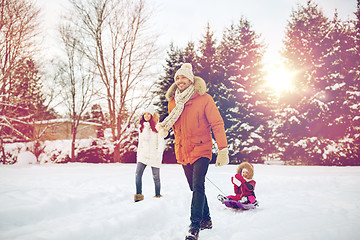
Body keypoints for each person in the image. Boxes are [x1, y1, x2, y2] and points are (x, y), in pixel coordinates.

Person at [156, 63, 229, 240]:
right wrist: (166, 129)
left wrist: (223, 149)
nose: (180, 81)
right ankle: (207, 220)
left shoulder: (204, 99)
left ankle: (194, 226)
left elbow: (217, 124)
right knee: (194, 187)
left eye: (183, 77)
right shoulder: (173, 102)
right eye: (177, 78)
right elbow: (177, 125)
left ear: (191, 79)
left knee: (198, 186)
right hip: (183, 151)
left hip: (202, 149)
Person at [134, 106, 165, 202]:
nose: (146, 116)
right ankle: (138, 195)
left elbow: (161, 143)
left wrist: (158, 155)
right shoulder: (142, 127)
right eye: (145, 114)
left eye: (148, 114)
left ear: (152, 115)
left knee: (156, 177)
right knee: (137, 174)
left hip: (154, 155)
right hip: (143, 155)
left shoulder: (157, 127)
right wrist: (138, 155)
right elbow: (140, 143)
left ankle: (157, 195)